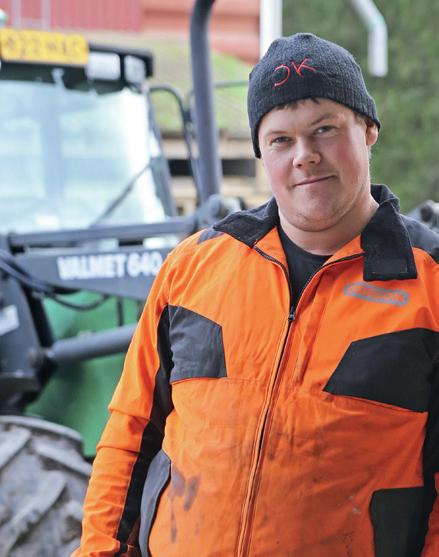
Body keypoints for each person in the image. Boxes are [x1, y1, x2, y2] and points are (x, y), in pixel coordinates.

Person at [74, 33, 439, 556]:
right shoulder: (193, 268)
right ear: (261, 152)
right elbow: (130, 433)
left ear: (368, 129)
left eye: (325, 129)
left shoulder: (428, 284)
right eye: (281, 140)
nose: (305, 156)